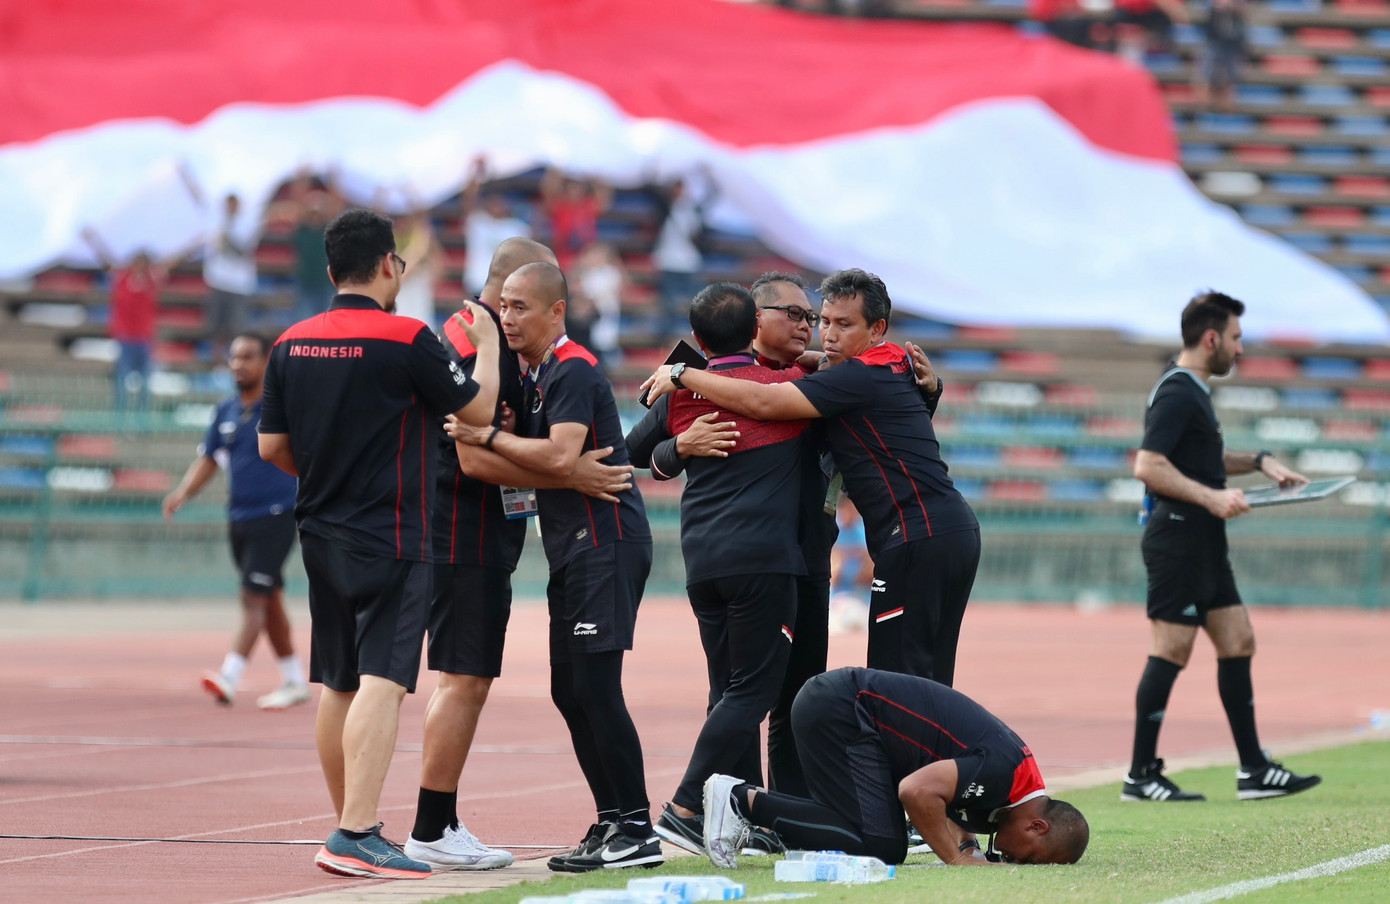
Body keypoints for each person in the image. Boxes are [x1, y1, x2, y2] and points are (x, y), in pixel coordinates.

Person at [258, 208, 501, 879]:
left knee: (336, 681)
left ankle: (350, 824)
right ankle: (356, 831)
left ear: (332, 271)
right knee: (385, 681)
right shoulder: (407, 338)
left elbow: (272, 447)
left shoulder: (291, 343)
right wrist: (492, 347)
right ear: (391, 265)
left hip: (319, 530)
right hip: (392, 532)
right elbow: (477, 410)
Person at [406, 237, 635, 872]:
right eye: (516, 302)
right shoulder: (481, 344)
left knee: (471, 676)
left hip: (473, 526)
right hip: (464, 525)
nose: (517, 317)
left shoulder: (474, 338)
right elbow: (473, 453)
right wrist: (572, 477)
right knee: (465, 676)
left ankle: (439, 819)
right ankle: (431, 824)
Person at [642, 268, 975, 687]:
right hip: (930, 532)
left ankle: (936, 754)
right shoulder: (878, 365)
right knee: (923, 681)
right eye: (821, 320)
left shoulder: (846, 378)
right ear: (756, 320)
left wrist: (681, 374)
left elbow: (765, 401)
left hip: (877, 545)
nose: (822, 332)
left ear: (877, 329)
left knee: (889, 686)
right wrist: (679, 446)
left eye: (841, 324)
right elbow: (636, 451)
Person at [625, 283, 811, 856]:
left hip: (703, 561)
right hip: (764, 560)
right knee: (752, 694)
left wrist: (678, 445)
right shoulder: (784, 387)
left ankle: (740, 813)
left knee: (726, 692)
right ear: (757, 324)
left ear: (699, 339)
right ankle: (685, 806)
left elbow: (632, 450)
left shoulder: (679, 391)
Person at [1126, 291, 1322, 803]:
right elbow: (1148, 465)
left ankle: (1253, 770)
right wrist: (1212, 497)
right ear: (1211, 338)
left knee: (1238, 639)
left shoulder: (1193, 390)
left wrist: (1261, 461)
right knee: (1172, 648)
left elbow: (1205, 459)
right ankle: (1140, 774)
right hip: (1177, 540)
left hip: (1205, 541)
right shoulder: (1177, 391)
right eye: (1236, 338)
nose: (1240, 348)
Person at [701, 667, 1090, 868]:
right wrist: (956, 859)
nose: (1016, 863)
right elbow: (917, 791)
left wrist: (969, 846)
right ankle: (737, 800)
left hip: (843, 709)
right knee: (882, 845)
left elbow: (949, 786)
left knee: (875, 837)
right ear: (1037, 826)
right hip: (843, 708)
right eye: (1031, 859)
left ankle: (743, 802)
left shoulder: (1015, 786)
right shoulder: (1005, 776)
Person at [162, 334, 308, 710]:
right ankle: (293, 679)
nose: (238, 364)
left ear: (265, 362)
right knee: (269, 597)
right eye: (233, 357)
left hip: (276, 514)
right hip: (239, 517)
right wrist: (182, 494)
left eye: (247, 357)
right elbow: (209, 458)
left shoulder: (284, 407)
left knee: (252, 597)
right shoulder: (225, 411)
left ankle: (229, 676)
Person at [80, 229, 168, 415]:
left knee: (144, 383)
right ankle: (119, 417)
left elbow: (172, 262)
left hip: (144, 338)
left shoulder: (152, 281)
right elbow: (106, 259)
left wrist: (194, 244)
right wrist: (93, 240)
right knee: (122, 380)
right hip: (125, 338)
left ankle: (142, 419)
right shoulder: (123, 278)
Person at [460, 156, 532, 298]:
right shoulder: (479, 223)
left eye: (500, 202)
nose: (497, 205)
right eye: (493, 201)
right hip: (478, 283)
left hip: (505, 286)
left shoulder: (518, 228)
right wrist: (474, 172)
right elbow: (468, 201)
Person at [201, 194, 259, 361]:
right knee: (216, 330)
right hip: (217, 281)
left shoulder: (248, 224)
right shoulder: (215, 223)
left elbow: (244, 250)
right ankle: (216, 363)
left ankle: (236, 362)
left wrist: (227, 239)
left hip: (239, 285)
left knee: (237, 330)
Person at [650, 177, 708, 341]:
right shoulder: (667, 207)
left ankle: (701, 332)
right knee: (668, 303)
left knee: (700, 302)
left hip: (689, 261)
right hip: (668, 260)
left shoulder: (693, 209)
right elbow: (655, 193)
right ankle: (664, 337)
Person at [540, 168, 611, 274]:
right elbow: (547, 189)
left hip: (586, 257)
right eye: (572, 186)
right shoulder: (560, 205)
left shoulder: (588, 205)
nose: (574, 189)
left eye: (578, 186)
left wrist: (594, 175)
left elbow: (604, 195)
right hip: (564, 256)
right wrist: (558, 169)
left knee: (605, 253)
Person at [393, 208, 442, 328]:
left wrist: (430, 243)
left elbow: (440, 271)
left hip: (422, 318)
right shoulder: (394, 251)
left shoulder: (421, 251)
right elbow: (401, 276)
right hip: (401, 318)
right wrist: (418, 248)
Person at [1196, 0, 1247, 109]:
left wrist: (1234, 6)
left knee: (1230, 75)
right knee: (1206, 73)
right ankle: (1205, 105)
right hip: (1214, 39)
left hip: (1232, 42)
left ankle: (1225, 105)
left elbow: (1244, 8)